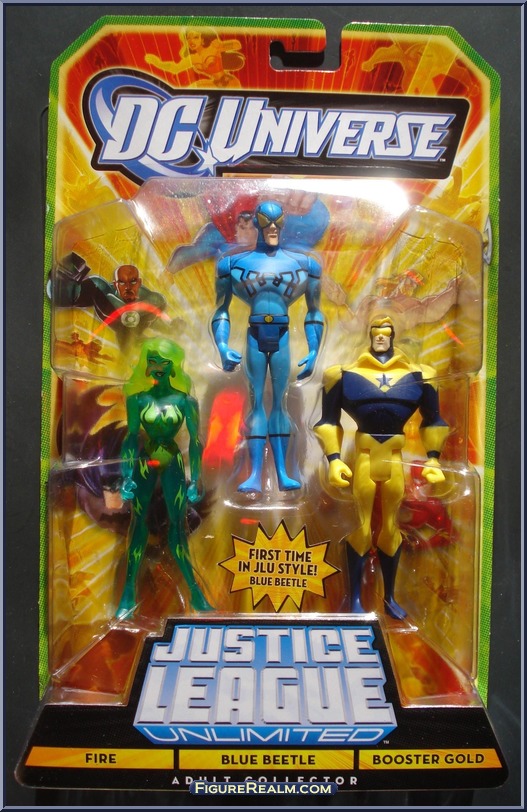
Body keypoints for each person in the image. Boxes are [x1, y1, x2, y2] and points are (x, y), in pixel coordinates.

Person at [314, 315, 449, 619]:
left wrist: (433, 458)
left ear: (392, 336)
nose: (380, 337)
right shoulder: (343, 375)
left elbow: (434, 421)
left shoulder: (420, 375)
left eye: (385, 333)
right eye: (376, 332)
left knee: (390, 527)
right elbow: (328, 422)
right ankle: (354, 602)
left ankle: (389, 598)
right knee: (362, 527)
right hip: (364, 456)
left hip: (394, 458)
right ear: (370, 334)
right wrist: (334, 460)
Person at [212, 200, 324, 493]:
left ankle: (284, 473)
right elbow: (221, 309)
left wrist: (314, 350)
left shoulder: (305, 264)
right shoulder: (232, 264)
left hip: (282, 333)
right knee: (257, 401)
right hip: (255, 333)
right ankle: (254, 475)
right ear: (257, 223)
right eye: (266, 221)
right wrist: (222, 346)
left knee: (281, 403)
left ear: (284, 223)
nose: (272, 228)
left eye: (277, 222)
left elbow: (314, 311)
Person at [116, 337, 212, 618]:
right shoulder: (137, 399)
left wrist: (196, 478)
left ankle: (195, 593)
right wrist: (126, 475)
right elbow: (130, 437)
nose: (157, 367)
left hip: (172, 463)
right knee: (139, 525)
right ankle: (127, 594)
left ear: (173, 367)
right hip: (145, 463)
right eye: (152, 362)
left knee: (177, 529)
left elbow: (195, 441)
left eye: (163, 362)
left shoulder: (185, 401)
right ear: (146, 366)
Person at [52, 254, 169, 352]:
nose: (128, 287)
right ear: (115, 284)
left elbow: (158, 302)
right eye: (122, 282)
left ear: (139, 282)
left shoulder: (149, 298)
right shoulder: (100, 289)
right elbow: (74, 294)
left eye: (133, 282)